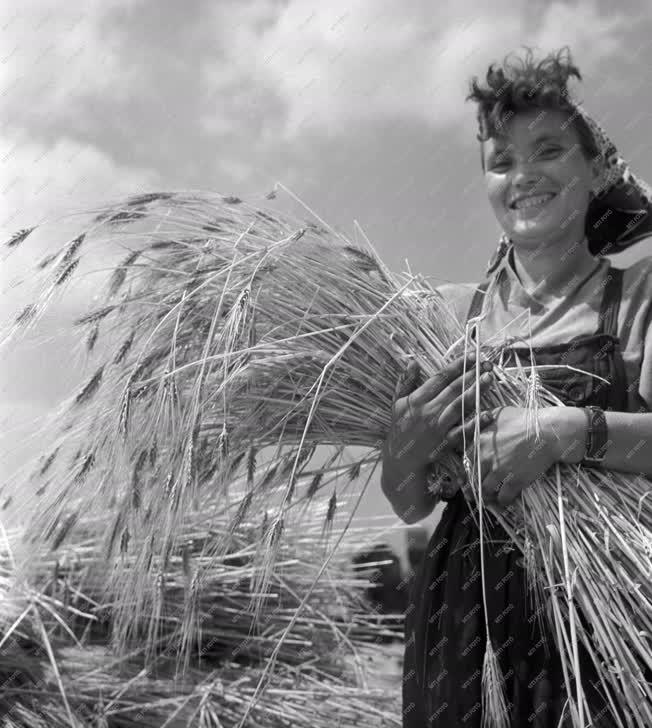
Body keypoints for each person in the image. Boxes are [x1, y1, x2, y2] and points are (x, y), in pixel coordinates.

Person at [381, 46, 652, 727]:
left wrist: (567, 431)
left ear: (594, 171)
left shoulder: (639, 294)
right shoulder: (447, 315)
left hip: (600, 615)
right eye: (502, 160)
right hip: (465, 619)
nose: (523, 175)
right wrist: (403, 453)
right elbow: (412, 504)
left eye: (549, 151)